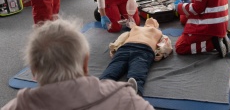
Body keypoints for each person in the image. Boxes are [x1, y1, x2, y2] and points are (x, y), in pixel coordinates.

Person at [1, 18, 154, 110]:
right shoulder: (128, 100)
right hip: (135, 51)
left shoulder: (15, 107)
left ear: (33, 72)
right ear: (85, 63)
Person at [100, 18, 173, 96]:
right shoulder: (135, 28)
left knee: (137, 73)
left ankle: (133, 91)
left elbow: (166, 44)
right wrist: (114, 47)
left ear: (156, 25)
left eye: (154, 19)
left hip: (144, 50)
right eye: (149, 18)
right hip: (126, 48)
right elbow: (122, 37)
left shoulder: (159, 33)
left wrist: (160, 53)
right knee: (113, 68)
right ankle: (101, 86)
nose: (151, 18)